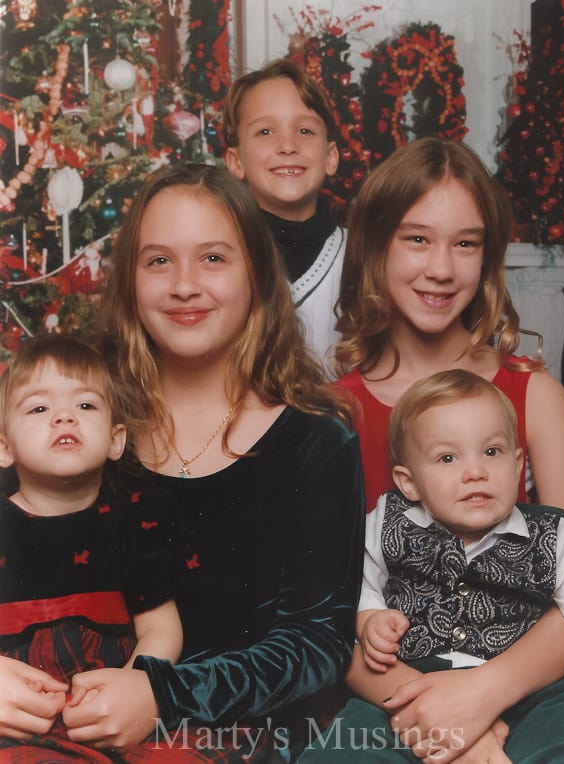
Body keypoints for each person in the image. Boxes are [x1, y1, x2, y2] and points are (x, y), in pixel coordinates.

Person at [35, 164, 365, 763]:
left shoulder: (316, 442)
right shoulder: (69, 423)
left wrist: (164, 696)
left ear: (258, 277)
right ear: (130, 281)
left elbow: (319, 643)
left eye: (213, 258)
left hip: (242, 735)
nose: (185, 285)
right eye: (158, 261)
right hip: (60, 725)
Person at [300, 369, 564, 763]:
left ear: (518, 464)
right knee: (340, 754)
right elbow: (347, 579)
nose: (475, 471)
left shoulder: (553, 535)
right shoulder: (388, 523)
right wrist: (369, 617)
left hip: (534, 693)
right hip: (411, 684)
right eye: (448, 457)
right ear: (409, 482)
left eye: (492, 451)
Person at [335, 136, 564, 556]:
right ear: (375, 247)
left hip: (527, 622)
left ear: (486, 257)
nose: (441, 270)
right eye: (418, 240)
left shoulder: (534, 395)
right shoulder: (338, 409)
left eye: (465, 244)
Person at [0, 332, 189, 762]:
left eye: (85, 405)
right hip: (17, 717)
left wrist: (139, 685)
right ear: (4, 447)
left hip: (112, 710)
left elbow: (161, 628)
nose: (64, 418)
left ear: (115, 440)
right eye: (39, 407)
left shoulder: (136, 518)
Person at [223, 58, 345, 368]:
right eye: (265, 132)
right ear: (236, 161)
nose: (287, 146)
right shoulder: (217, 257)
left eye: (304, 130)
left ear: (330, 157)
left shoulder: (363, 255)